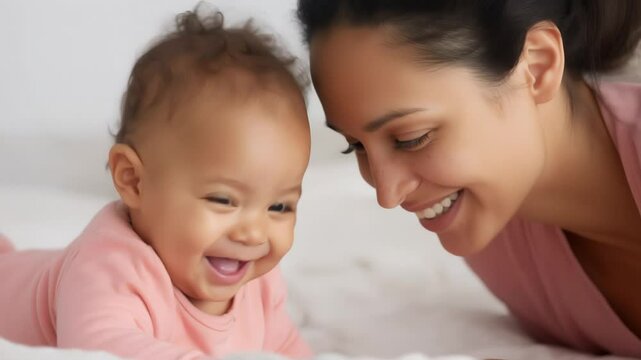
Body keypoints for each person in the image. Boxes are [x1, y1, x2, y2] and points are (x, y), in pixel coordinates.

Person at [297, 0, 641, 357]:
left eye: (412, 138)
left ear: (538, 67)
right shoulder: (495, 236)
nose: (388, 194)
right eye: (356, 146)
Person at [0, 7, 312, 360]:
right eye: (224, 200)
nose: (254, 233)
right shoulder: (108, 268)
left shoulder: (258, 284)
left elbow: (286, 348)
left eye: (279, 206)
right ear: (133, 180)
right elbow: (99, 346)